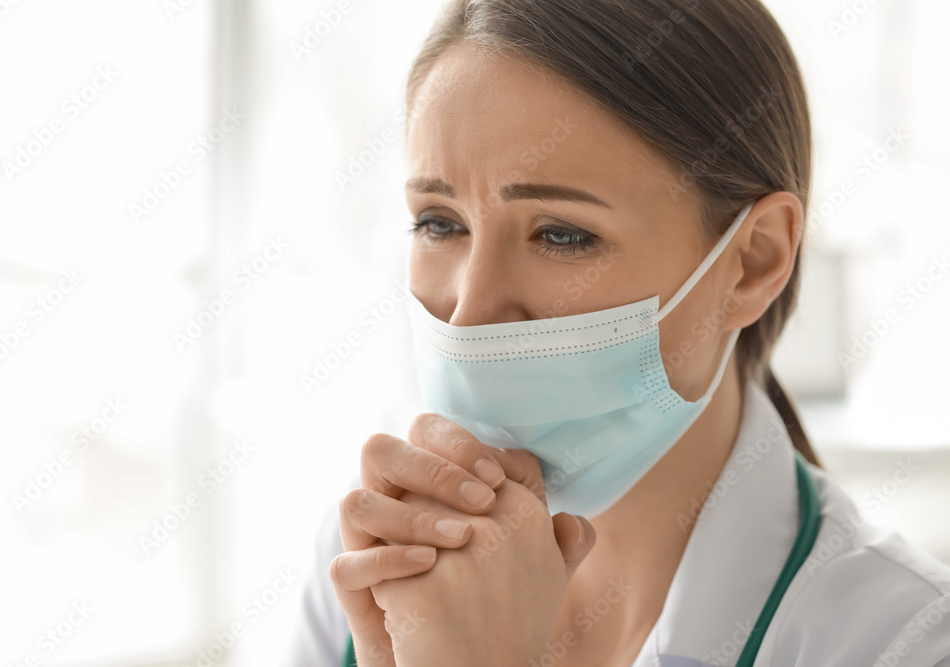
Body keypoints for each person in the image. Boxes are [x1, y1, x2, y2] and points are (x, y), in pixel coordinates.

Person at [285, 0, 950, 665]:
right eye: (439, 223)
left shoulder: (903, 642)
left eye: (562, 235)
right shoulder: (367, 561)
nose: (469, 313)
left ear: (753, 261)